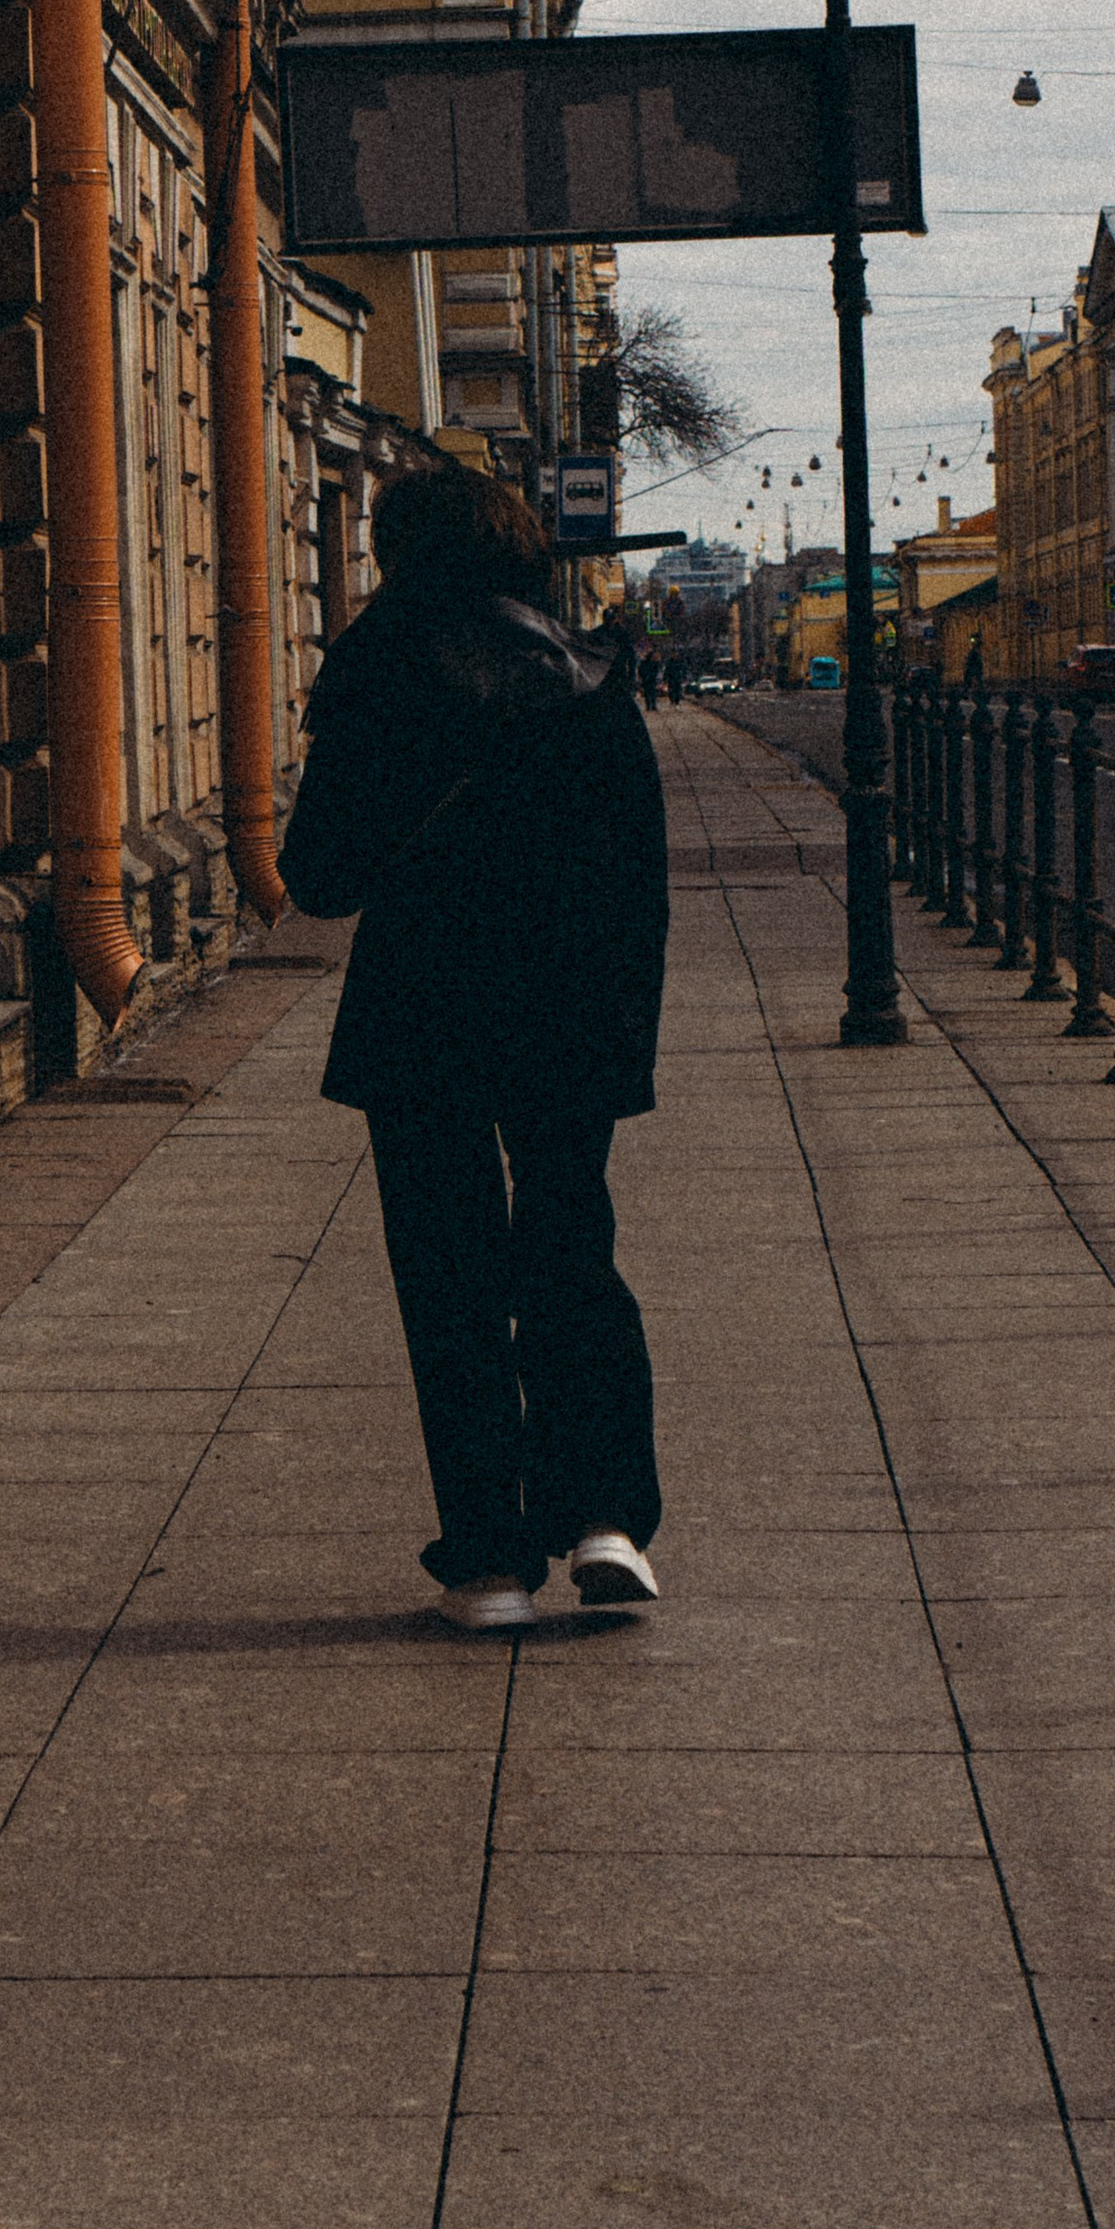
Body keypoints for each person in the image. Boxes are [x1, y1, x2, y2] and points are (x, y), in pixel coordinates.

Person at [280, 462, 668, 1632]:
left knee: (447, 1277)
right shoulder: (593, 676)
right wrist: (619, 1036)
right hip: (569, 1013)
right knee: (570, 1248)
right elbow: (638, 889)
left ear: (399, 555)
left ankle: (490, 1565)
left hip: (424, 1018)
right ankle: (605, 1520)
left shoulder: (373, 673)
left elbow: (319, 879)